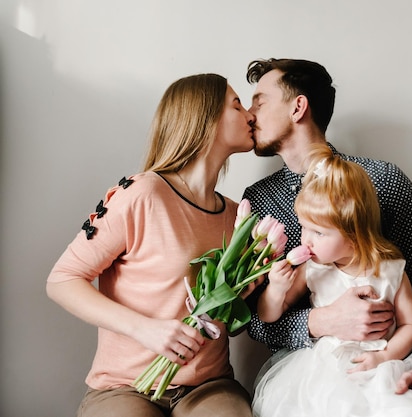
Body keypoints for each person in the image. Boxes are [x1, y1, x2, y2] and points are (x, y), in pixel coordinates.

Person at [242, 58, 412, 412]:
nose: (249, 114)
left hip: (380, 372)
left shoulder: (382, 182)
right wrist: (321, 321)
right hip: (308, 382)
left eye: (259, 101)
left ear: (298, 107)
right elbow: (252, 321)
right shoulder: (259, 201)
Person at [46, 73, 257, 417]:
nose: (250, 115)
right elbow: (62, 281)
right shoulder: (142, 193)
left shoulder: (238, 215)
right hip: (124, 386)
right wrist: (145, 329)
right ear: (203, 118)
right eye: (237, 105)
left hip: (208, 386)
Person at [252, 145, 412, 417]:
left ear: (353, 236)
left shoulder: (390, 270)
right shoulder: (312, 269)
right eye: (304, 226)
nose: (305, 239)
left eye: (318, 232)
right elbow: (267, 316)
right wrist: (277, 289)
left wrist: (385, 357)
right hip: (323, 369)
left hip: (378, 367)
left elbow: (411, 324)